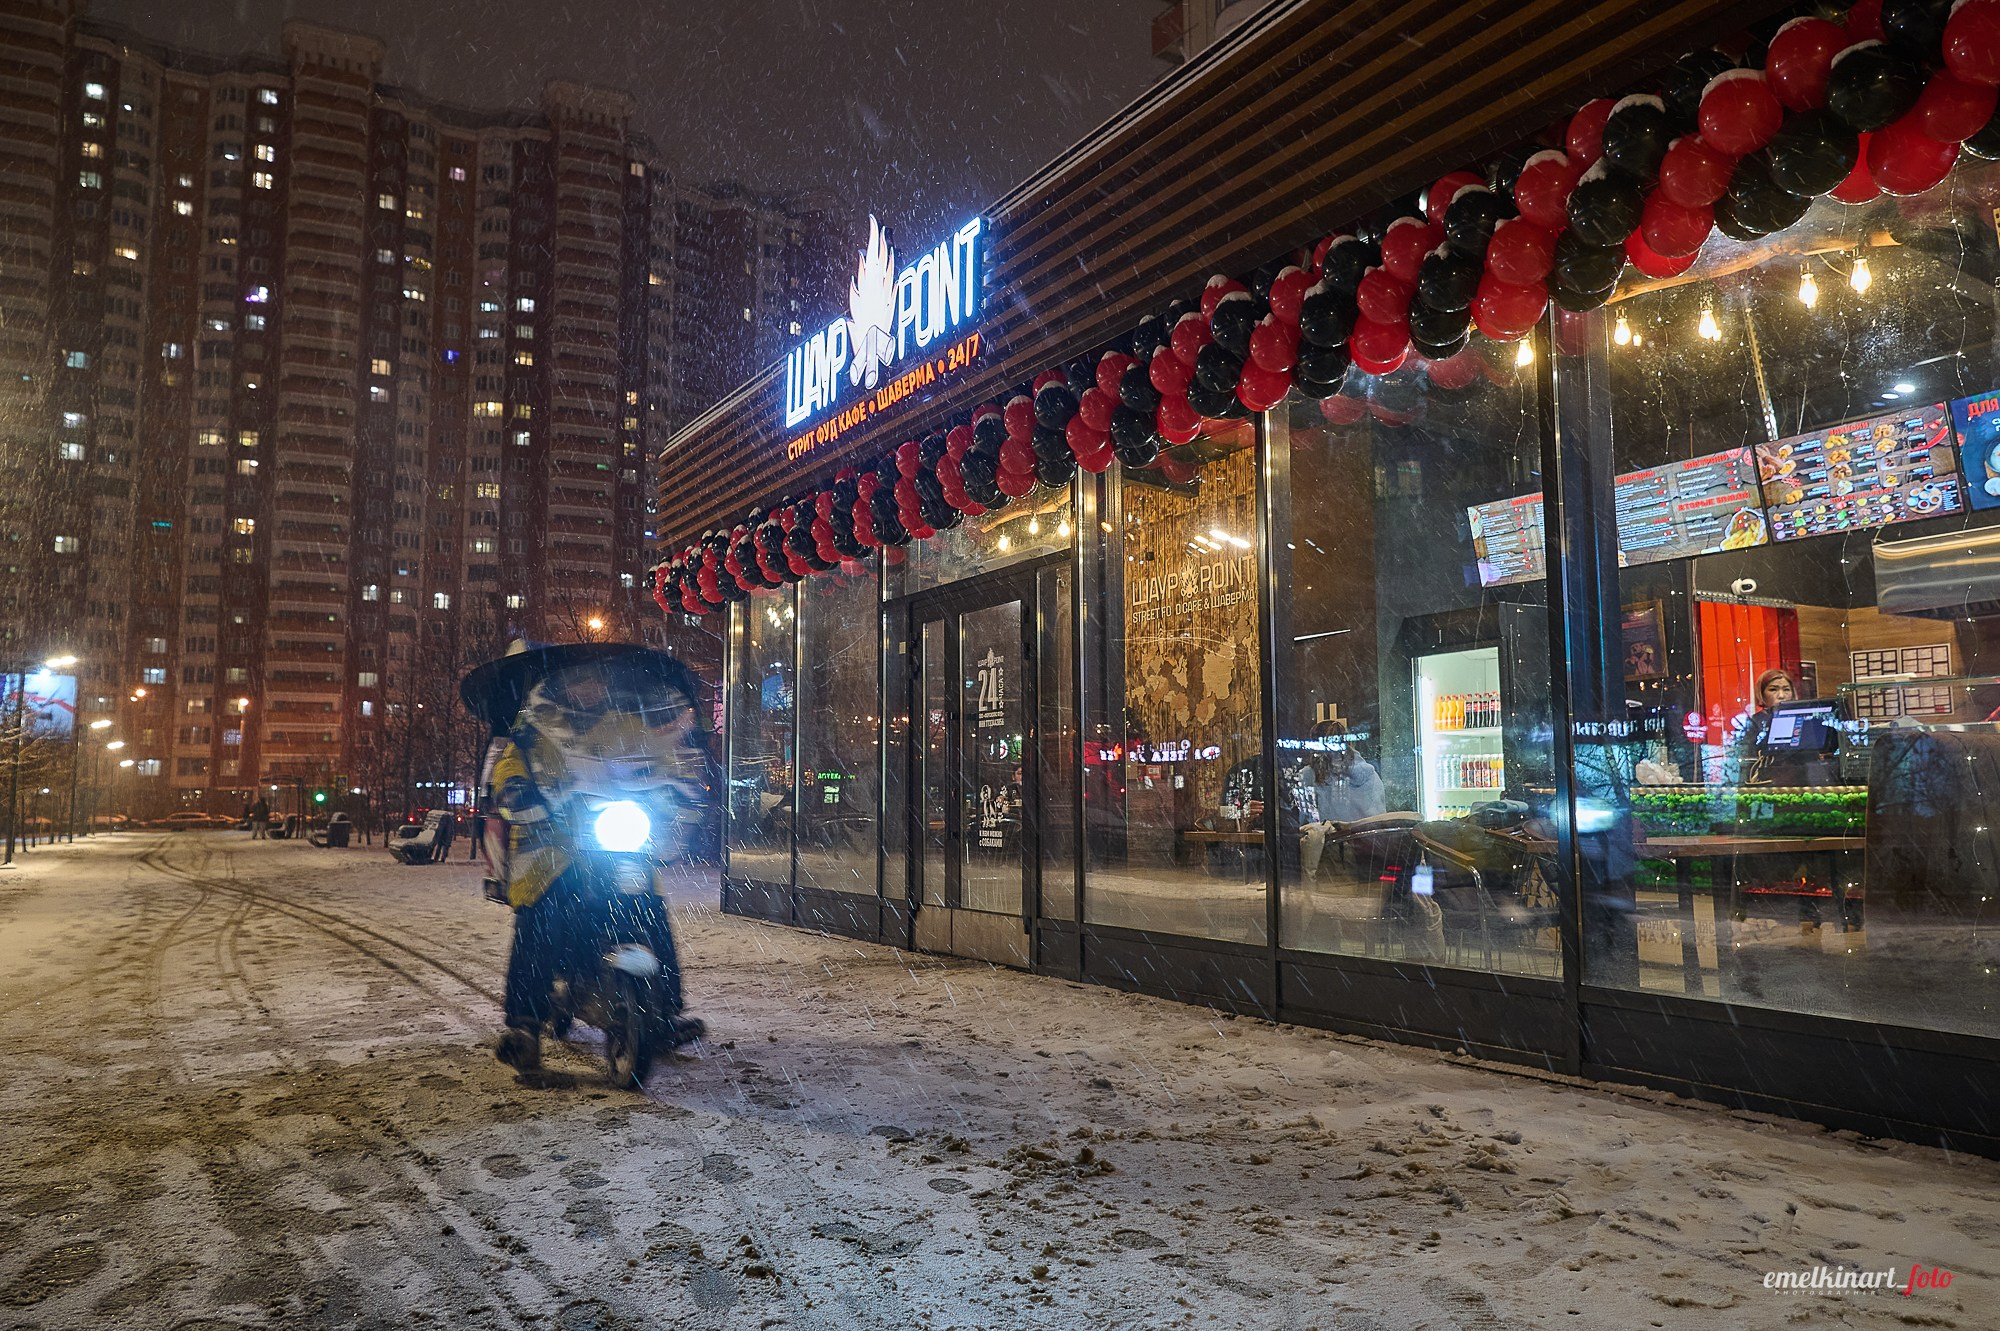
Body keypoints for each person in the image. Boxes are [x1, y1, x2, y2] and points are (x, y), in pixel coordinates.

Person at [481, 649, 706, 1074]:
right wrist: (516, 791)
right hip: (552, 848)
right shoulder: (535, 731)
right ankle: (524, 1023)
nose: (591, 689)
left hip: (615, 840)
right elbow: (510, 768)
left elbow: (661, 762)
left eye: (598, 681)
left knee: (650, 909)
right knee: (543, 918)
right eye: (580, 682)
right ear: (562, 687)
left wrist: (681, 787)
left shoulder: (627, 728)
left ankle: (664, 1010)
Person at [1298, 746, 1387, 883]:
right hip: (1373, 854)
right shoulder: (1371, 774)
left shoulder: (1309, 775)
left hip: (1335, 859)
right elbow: (1381, 816)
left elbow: (1303, 821)